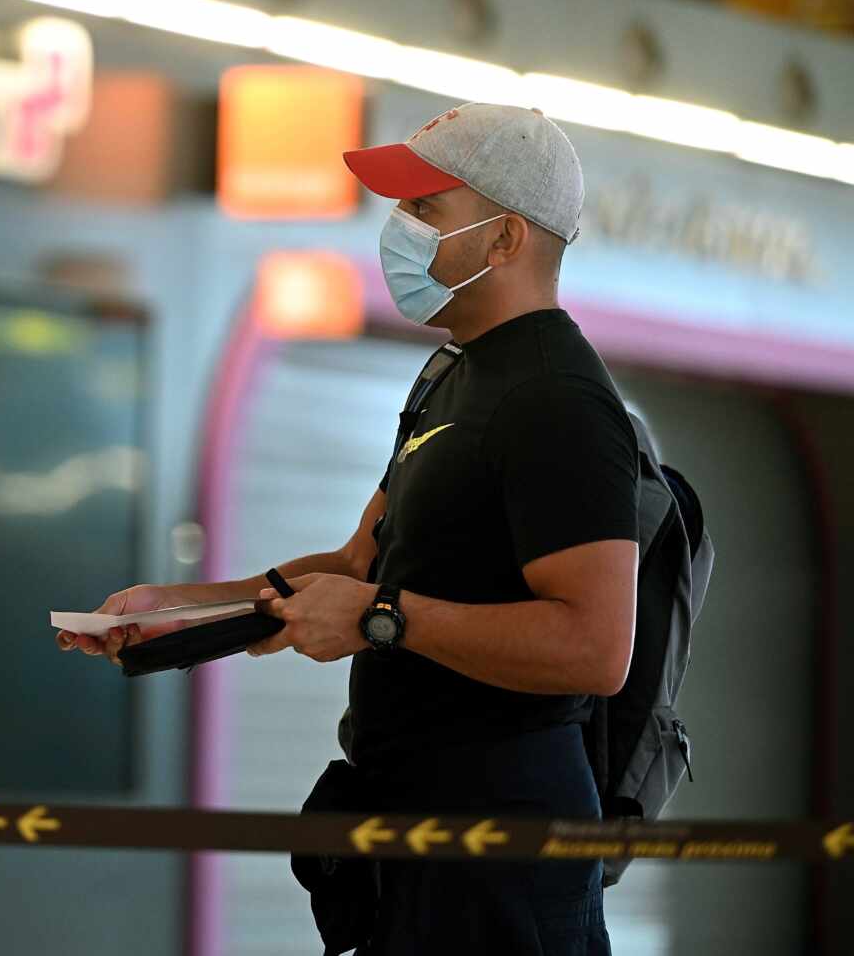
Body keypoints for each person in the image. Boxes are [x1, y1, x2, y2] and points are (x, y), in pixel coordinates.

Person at [59, 103, 637, 954]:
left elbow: (595, 648)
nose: (397, 230)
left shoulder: (559, 400)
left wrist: (383, 618)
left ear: (506, 238)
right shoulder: (450, 377)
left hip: (501, 847)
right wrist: (185, 610)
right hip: (407, 827)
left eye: (424, 210)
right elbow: (358, 563)